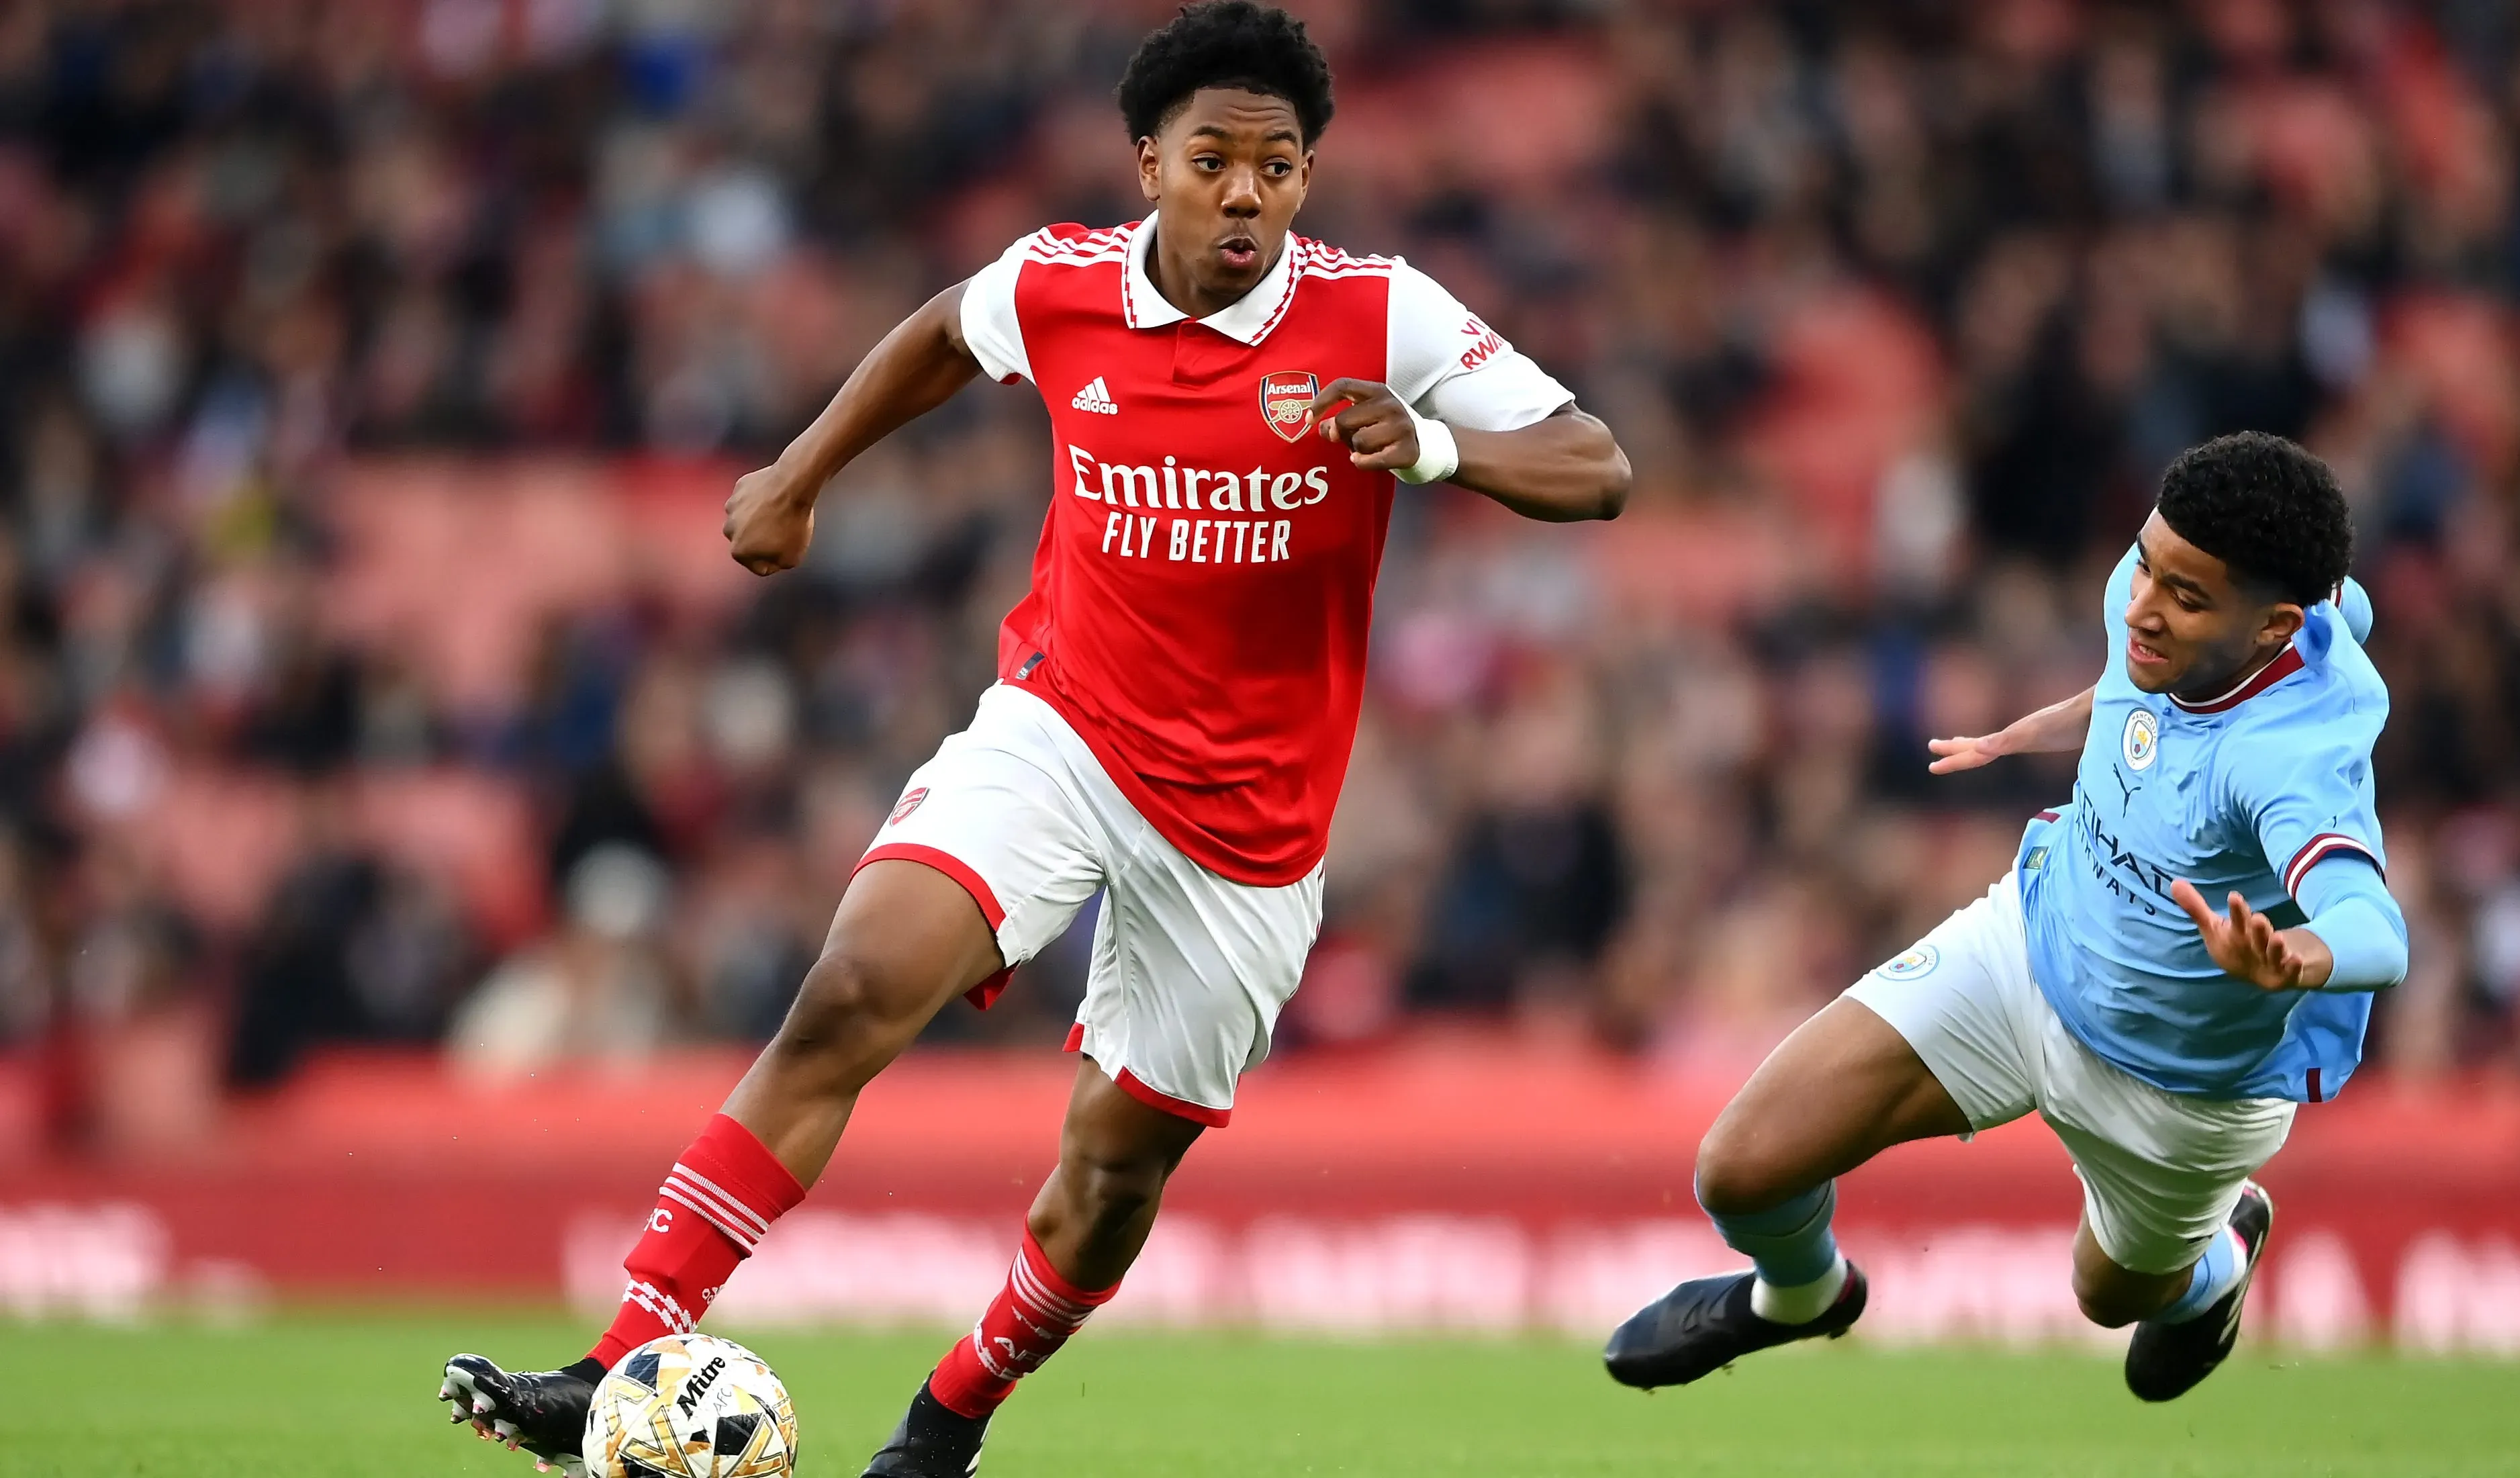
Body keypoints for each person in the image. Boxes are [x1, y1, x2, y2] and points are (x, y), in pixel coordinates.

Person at [438, 4, 1630, 1475]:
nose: (1246, 191)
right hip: (1064, 726)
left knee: (1105, 1184)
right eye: (1214, 159)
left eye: (1279, 164)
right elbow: (945, 332)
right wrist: (799, 472)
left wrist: (1437, 443)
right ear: (1151, 165)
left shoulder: (1381, 316)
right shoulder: (1061, 284)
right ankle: (621, 1358)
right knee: (856, 982)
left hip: (1249, 832)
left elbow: (1599, 465)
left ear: (1308, 179)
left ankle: (950, 1416)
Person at [1603, 431, 2405, 1402]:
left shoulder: (2291, 759)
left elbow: (2375, 928)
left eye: (2184, 599)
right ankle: (1799, 1297)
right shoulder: (2167, 592)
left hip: (2176, 1091)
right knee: (1739, 1169)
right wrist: (2039, 726)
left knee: (2109, 1299)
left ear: (2276, 628)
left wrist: (2296, 955)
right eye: (2146, 566)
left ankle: (2216, 1265)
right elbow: (2143, 681)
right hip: (2030, 943)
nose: (2140, 607)